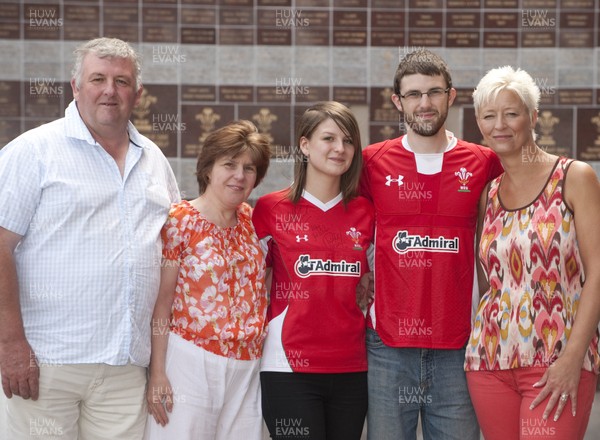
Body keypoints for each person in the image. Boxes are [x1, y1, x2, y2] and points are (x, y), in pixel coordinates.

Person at [0, 37, 180, 439]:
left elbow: (173, 247)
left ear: (138, 92)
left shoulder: (153, 159)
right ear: (75, 87)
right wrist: (10, 343)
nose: (109, 90)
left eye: (121, 80)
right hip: (45, 362)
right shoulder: (34, 151)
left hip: (126, 368)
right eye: (98, 78)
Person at [359, 49, 503, 440]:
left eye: (434, 92)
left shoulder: (484, 162)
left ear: (451, 97)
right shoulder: (371, 163)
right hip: (388, 345)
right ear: (397, 101)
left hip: (460, 343)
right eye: (414, 94)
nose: (425, 103)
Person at [464, 66, 600, 440]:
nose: (500, 124)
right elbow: (486, 280)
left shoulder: (575, 177)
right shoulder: (487, 195)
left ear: (533, 116)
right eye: (489, 116)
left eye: (512, 112)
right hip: (489, 360)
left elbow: (598, 272)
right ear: (479, 123)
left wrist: (573, 358)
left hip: (558, 358)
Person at [252, 101, 375, 440]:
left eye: (348, 141)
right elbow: (246, 282)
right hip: (288, 368)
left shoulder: (366, 212)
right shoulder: (270, 209)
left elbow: (376, 282)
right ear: (305, 145)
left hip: (352, 367)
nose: (340, 148)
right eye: (329, 138)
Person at [144, 120, 271, 440]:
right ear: (208, 168)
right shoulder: (179, 221)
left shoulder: (251, 220)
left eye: (249, 168)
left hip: (247, 365)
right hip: (191, 360)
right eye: (229, 164)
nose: (240, 175)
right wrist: (157, 373)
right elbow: (162, 304)